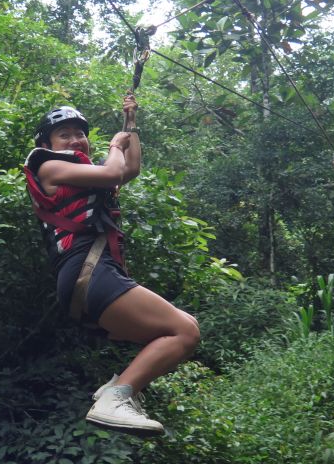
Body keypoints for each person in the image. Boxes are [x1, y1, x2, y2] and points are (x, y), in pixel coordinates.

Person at [23, 94, 201, 436]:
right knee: (185, 330)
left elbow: (129, 169)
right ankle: (116, 397)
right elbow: (115, 168)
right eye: (65, 134)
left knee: (180, 330)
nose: (76, 140)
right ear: (47, 144)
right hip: (88, 272)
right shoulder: (48, 166)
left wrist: (130, 126)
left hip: (89, 278)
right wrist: (116, 145)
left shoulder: (85, 175)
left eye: (80, 133)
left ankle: (117, 392)